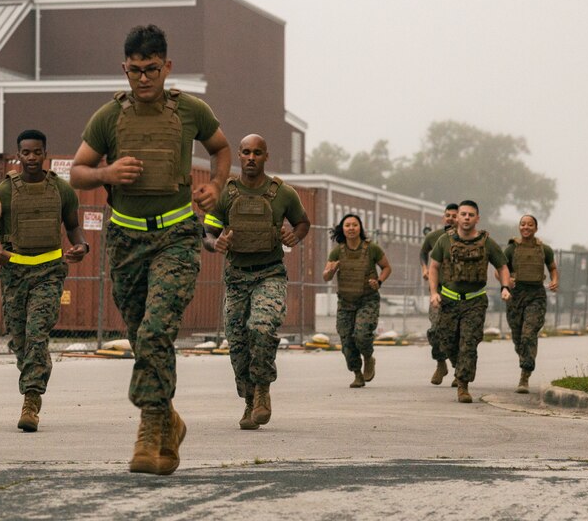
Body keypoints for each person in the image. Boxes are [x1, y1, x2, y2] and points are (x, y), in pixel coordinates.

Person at [69, 24, 231, 475]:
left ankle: (148, 426)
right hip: (125, 240)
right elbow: (76, 172)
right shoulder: (108, 118)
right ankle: (171, 423)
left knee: (157, 330)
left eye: (152, 70)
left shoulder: (191, 110)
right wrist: (106, 173)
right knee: (146, 341)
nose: (143, 79)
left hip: (176, 236)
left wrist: (216, 186)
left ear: (167, 67)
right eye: (135, 71)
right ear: (125, 68)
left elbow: (221, 150)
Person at [0, 129, 88, 432]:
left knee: (37, 333)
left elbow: (74, 227)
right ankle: (35, 376)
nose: (31, 158)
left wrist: (82, 246)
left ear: (45, 154)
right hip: (14, 273)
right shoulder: (4, 192)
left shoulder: (62, 191)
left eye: (37, 152)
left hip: (49, 272)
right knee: (21, 340)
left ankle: (31, 400)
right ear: (18, 155)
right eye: (26, 152)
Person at [203, 134, 309, 430]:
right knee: (237, 345)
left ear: (266, 156)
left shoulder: (283, 194)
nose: (251, 157)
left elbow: (303, 222)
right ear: (239, 155)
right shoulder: (226, 193)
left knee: (261, 328)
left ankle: (262, 389)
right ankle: (249, 400)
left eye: (257, 153)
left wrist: (294, 236)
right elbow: (207, 232)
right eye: (246, 152)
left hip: (269, 274)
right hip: (236, 279)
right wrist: (216, 243)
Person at [428, 200, 512, 403]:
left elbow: (502, 267)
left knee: (469, 344)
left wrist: (505, 287)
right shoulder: (444, 241)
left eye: (470, 215)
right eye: (463, 214)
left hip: (474, 302)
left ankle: (463, 386)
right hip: (449, 300)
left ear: (477, 218)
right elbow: (434, 267)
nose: (466, 218)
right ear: (456, 217)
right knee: (446, 341)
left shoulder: (487, 243)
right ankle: (457, 367)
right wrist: (434, 293)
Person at [322, 213, 392, 388]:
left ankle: (368, 358)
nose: (351, 228)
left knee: (361, 334)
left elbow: (386, 267)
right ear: (342, 229)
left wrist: (379, 282)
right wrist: (331, 270)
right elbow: (326, 276)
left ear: (360, 228)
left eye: (354, 225)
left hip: (367, 300)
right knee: (346, 341)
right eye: (347, 225)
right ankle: (357, 374)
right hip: (345, 302)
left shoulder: (371, 249)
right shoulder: (338, 251)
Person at [504, 214, 559, 394]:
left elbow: (552, 268)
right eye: (523, 224)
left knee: (528, 333)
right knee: (518, 336)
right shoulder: (511, 249)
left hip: (536, 295)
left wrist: (554, 280)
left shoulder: (544, 249)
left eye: (530, 225)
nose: (526, 227)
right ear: (519, 227)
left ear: (536, 228)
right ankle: (524, 359)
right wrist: (506, 282)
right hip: (516, 295)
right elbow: (500, 270)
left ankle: (525, 375)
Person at [420, 203, 459, 385]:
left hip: (459, 294)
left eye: (454, 215)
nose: (450, 218)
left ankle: (460, 372)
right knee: (435, 331)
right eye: (448, 215)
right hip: (439, 292)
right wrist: (424, 268)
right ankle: (441, 363)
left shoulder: (468, 238)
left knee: (457, 335)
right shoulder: (435, 236)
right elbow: (423, 252)